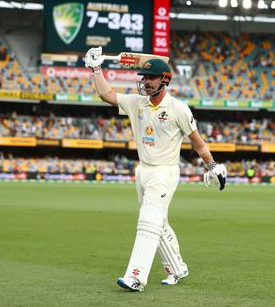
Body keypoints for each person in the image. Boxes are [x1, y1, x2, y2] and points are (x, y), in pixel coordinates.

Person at [84, 47, 227, 292]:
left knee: (148, 221)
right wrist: (96, 68)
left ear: (164, 80)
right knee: (158, 224)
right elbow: (106, 94)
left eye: (150, 78)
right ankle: (177, 268)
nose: (145, 82)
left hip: (165, 172)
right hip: (143, 171)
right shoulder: (137, 103)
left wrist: (213, 165)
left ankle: (136, 277)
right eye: (144, 78)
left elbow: (197, 141)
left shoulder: (178, 108)